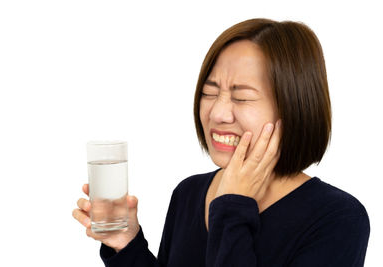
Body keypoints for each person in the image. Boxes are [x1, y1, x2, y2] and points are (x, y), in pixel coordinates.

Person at [72, 18, 370, 266]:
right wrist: (127, 245)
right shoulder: (189, 193)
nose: (217, 113)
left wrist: (232, 207)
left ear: (293, 107)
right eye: (210, 92)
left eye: (242, 97)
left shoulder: (338, 218)